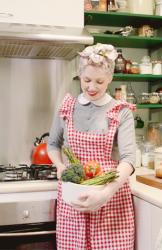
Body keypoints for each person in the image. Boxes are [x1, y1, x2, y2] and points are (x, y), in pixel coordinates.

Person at [47, 43, 136, 250]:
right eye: (87, 80)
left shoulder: (121, 111)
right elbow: (53, 144)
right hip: (73, 198)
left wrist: (105, 193)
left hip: (110, 196)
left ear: (110, 79)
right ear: (79, 76)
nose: (92, 87)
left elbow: (129, 159)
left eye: (99, 81)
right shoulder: (67, 106)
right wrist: (60, 167)